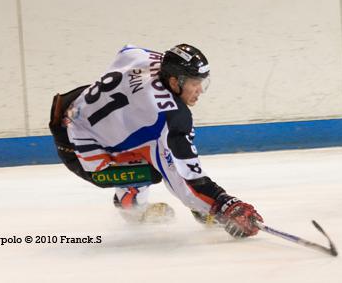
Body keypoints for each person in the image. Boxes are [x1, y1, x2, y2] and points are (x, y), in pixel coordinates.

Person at [49, 44, 263, 237]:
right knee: (155, 167)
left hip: (69, 108)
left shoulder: (143, 57)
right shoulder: (168, 118)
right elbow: (185, 178)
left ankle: (200, 205)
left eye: (202, 82)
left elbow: (126, 50)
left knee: (148, 143)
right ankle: (132, 206)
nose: (200, 90)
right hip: (77, 149)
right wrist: (223, 205)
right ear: (174, 81)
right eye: (194, 83)